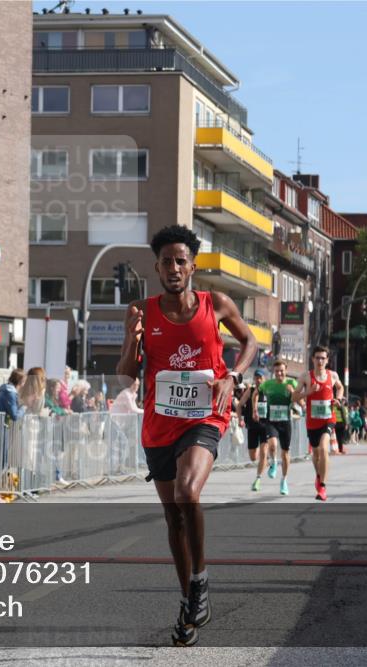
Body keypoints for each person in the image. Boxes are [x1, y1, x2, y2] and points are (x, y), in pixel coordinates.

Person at [116, 225, 256, 647]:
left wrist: (232, 375)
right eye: (166, 261)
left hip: (205, 415)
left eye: (181, 261)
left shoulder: (217, 304)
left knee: (187, 491)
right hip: (160, 422)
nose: (174, 268)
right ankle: (189, 604)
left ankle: (199, 580)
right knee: (173, 516)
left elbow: (249, 341)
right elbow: (127, 371)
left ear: (193, 266)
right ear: (157, 267)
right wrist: (131, 339)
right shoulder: (141, 309)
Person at [294, 345, 344, 502]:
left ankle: (322, 486)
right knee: (316, 455)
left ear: (327, 360)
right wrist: (308, 392)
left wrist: (339, 399)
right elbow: (294, 398)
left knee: (324, 449)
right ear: (312, 359)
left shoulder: (333, 375)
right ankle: (318, 475)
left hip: (328, 419)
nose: (320, 361)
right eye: (317, 358)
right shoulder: (305, 377)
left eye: (323, 358)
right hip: (312, 422)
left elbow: (340, 387)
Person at [256, 361, 299, 494]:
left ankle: (284, 480)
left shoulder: (292, 383)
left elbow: (299, 400)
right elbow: (255, 393)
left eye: (281, 371)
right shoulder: (268, 384)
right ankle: (274, 462)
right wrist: (254, 409)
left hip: (285, 421)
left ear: (286, 370)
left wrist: (293, 393)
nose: (279, 373)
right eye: (276, 371)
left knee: (285, 453)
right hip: (272, 420)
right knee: (273, 445)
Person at [0, 369, 27, 497]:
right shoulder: (9, 392)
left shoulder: (8, 391)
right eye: (24, 382)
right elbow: (15, 415)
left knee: (0, 459)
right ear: (21, 381)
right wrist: (24, 408)